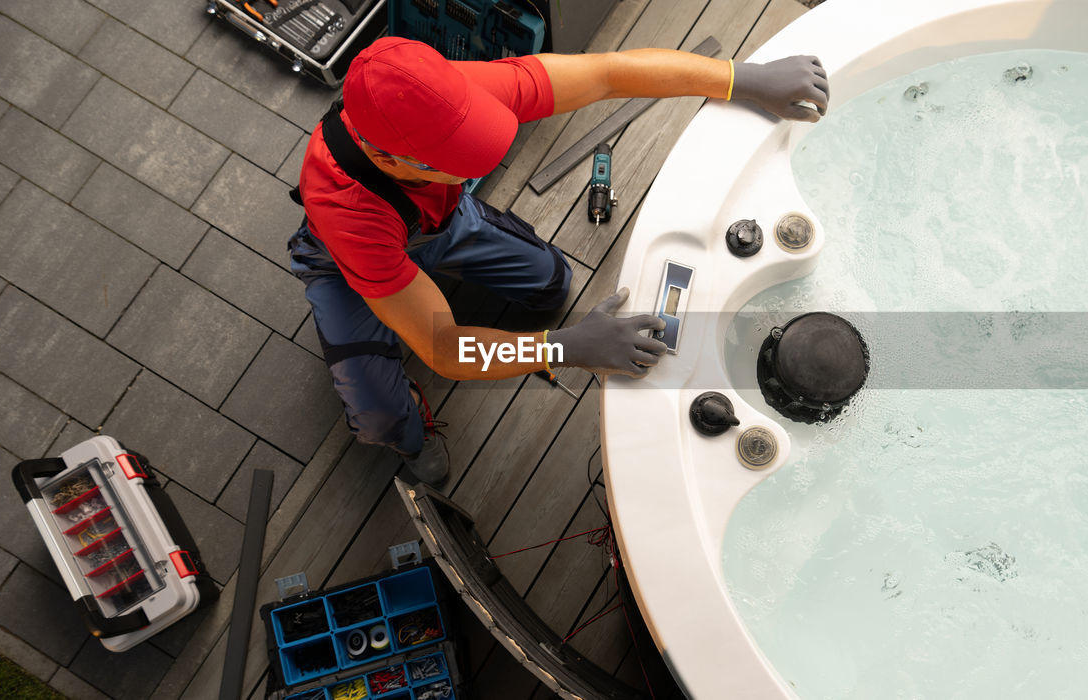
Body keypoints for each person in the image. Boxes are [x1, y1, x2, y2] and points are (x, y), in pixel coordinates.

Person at [290, 37, 829, 486]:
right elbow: (443, 347)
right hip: (352, 260)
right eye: (458, 160)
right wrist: (561, 347)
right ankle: (410, 438)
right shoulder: (350, 215)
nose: (481, 160)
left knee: (552, 283)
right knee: (377, 414)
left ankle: (456, 240)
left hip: (440, 217)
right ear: (388, 158)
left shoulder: (433, 92)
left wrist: (741, 78)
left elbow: (609, 74)